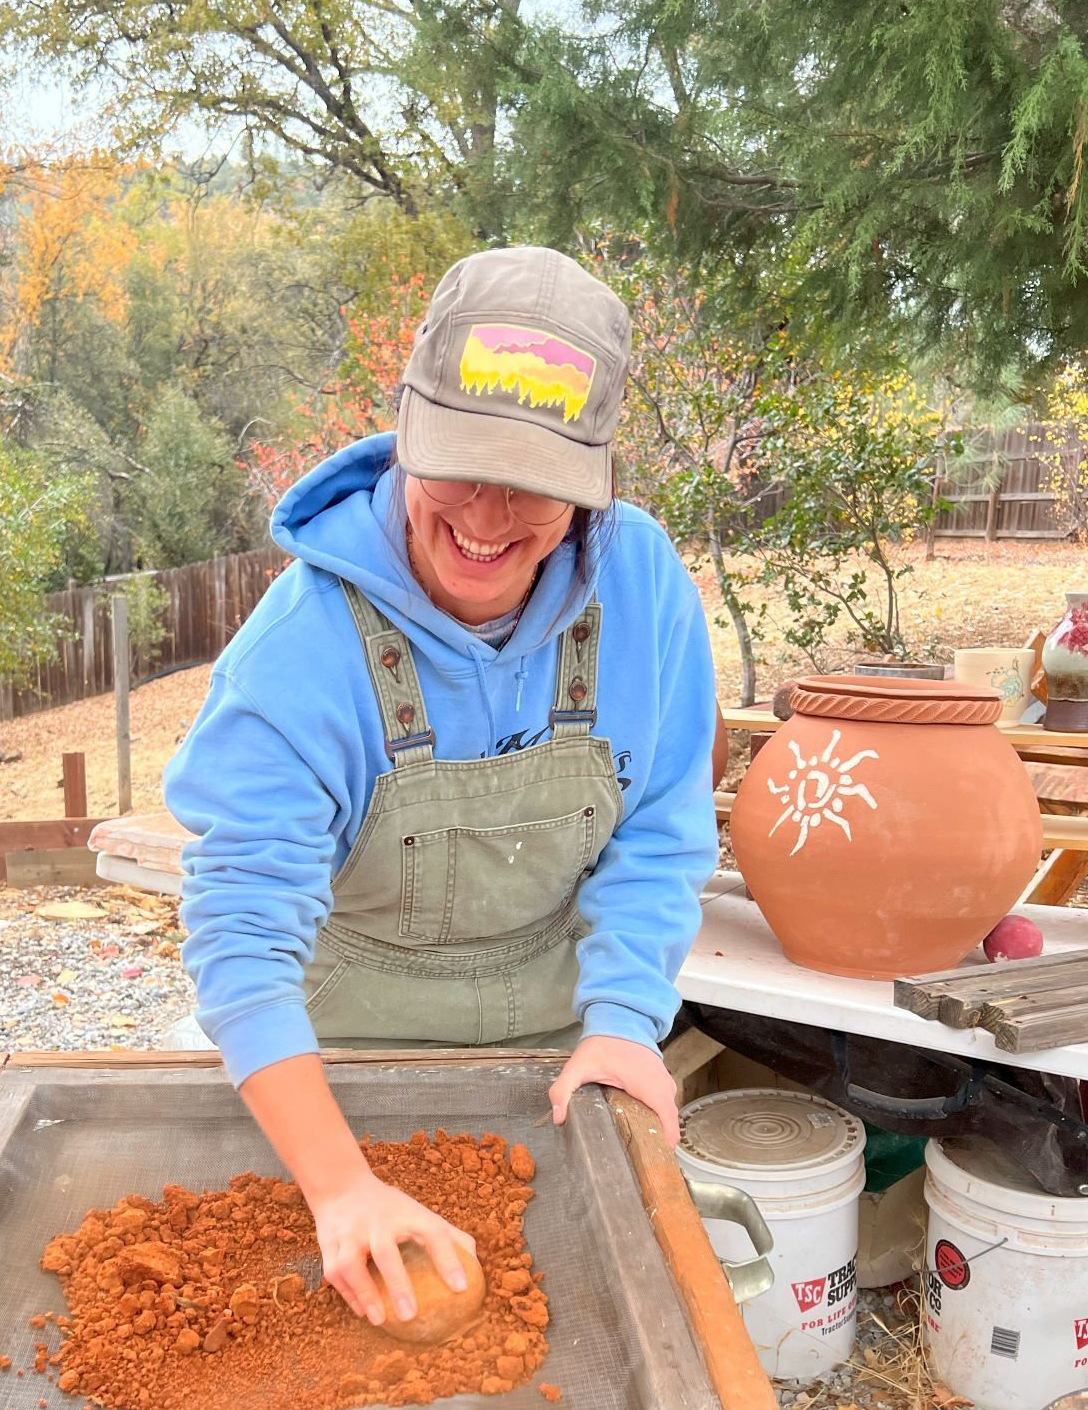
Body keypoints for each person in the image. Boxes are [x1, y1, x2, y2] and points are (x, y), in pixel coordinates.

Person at [166, 246, 719, 1332]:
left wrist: (622, 1024)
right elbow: (239, 933)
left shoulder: (644, 590)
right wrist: (337, 1186)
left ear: (594, 481)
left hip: (565, 1058)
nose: (488, 513)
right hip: (339, 1067)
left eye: (537, 482)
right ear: (406, 426)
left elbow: (658, 834)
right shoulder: (300, 651)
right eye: (460, 461)